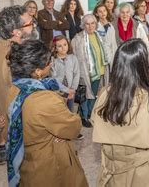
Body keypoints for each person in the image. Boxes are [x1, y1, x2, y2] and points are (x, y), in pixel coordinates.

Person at [92, 39, 149, 186]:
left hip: (112, 174)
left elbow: (95, 122)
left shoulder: (104, 95)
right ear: (142, 66)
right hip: (146, 174)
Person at [6, 40, 88, 187]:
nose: (50, 64)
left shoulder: (15, 89)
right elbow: (73, 127)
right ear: (37, 71)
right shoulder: (44, 99)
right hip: (50, 164)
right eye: (48, 61)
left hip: (29, 161)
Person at [0, 6, 37, 164]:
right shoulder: (16, 55)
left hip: (5, 119)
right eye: (29, 24)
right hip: (21, 129)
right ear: (17, 31)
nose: (34, 25)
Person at [72, 14, 110, 128]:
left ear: (96, 24)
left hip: (98, 72)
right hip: (85, 73)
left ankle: (90, 114)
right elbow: (75, 57)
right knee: (85, 96)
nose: (90, 26)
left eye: (92, 23)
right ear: (83, 25)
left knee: (93, 95)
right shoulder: (77, 39)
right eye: (87, 24)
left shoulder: (99, 35)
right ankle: (84, 116)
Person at [50, 35, 79, 113]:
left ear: (68, 45)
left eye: (65, 44)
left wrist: (73, 89)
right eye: (59, 46)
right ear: (55, 48)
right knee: (60, 112)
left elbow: (76, 74)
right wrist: (66, 90)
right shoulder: (53, 60)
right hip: (59, 91)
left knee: (70, 111)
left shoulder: (73, 58)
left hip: (71, 91)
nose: (63, 48)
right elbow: (54, 78)